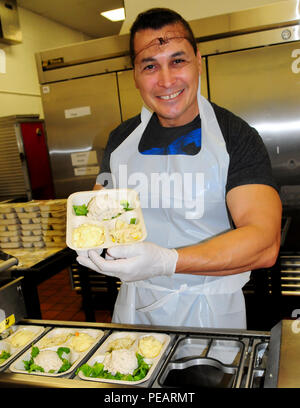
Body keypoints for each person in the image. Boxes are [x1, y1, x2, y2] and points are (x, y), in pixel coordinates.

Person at [77, 8, 282, 329]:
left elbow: (264, 243)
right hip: (135, 308)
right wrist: (91, 238)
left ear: (198, 59)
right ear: (134, 73)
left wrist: (165, 261)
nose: (166, 80)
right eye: (149, 66)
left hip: (210, 312)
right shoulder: (121, 139)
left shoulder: (235, 137)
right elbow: (100, 210)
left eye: (178, 61)